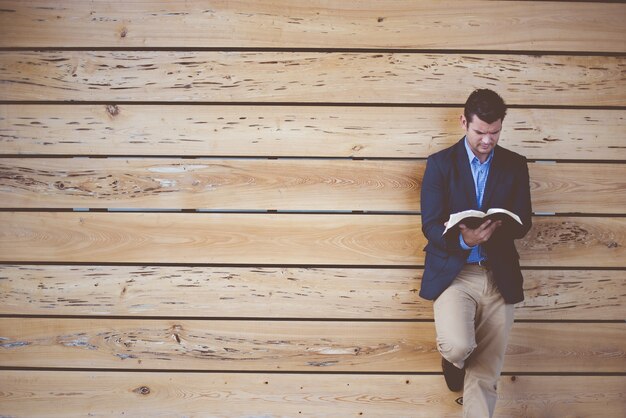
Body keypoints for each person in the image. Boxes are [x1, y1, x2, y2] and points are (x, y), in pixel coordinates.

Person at [420, 89, 532, 417]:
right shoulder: (440, 164)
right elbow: (430, 225)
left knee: (486, 373)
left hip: (499, 274)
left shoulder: (514, 164)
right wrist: (465, 239)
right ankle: (452, 363)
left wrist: (500, 226)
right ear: (463, 122)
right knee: (459, 345)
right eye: (480, 131)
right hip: (456, 272)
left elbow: (524, 222)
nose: (487, 140)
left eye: (494, 132)